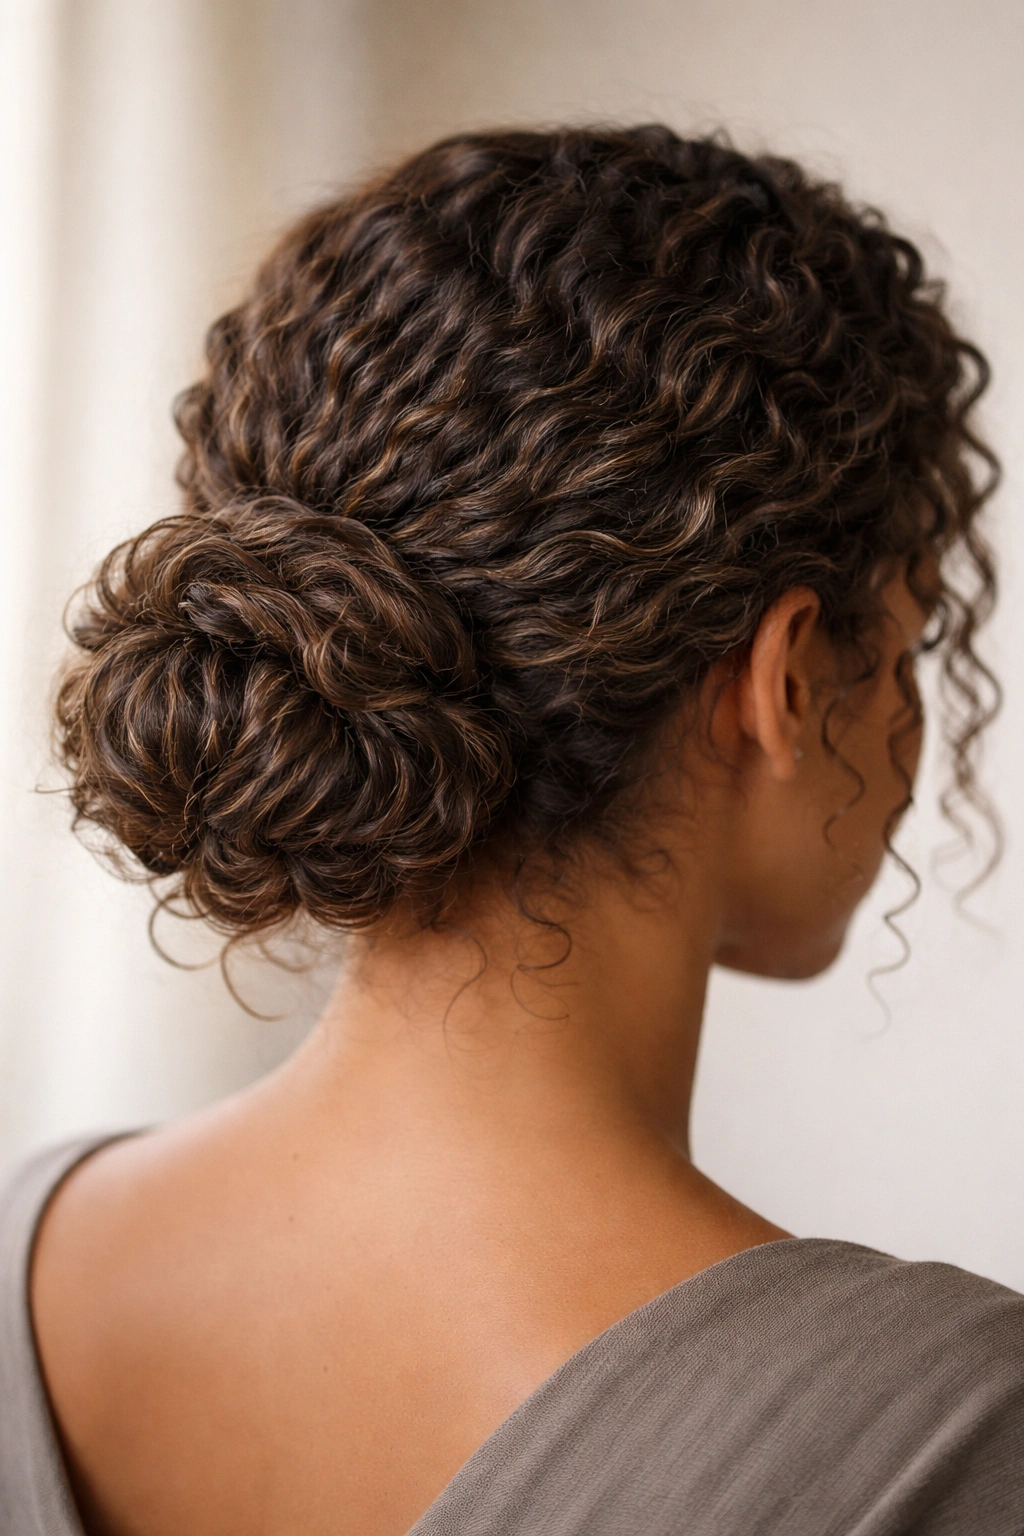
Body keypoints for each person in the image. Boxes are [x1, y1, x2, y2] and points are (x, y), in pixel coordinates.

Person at [1, 126, 1021, 1536]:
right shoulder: (949, 1435)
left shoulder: (22, 1261)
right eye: (904, 652)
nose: (913, 733)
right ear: (784, 683)